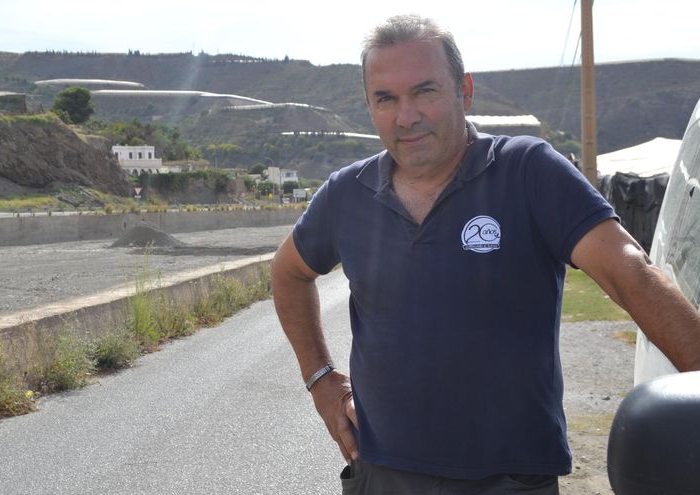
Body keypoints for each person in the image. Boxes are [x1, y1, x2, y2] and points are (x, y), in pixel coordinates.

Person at [271, 14, 700, 494]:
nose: (405, 115)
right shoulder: (345, 194)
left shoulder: (528, 171)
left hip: (509, 479)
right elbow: (288, 273)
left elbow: (630, 274)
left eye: (425, 91)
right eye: (385, 98)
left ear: (464, 90)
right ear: (370, 106)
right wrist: (321, 380)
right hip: (382, 471)